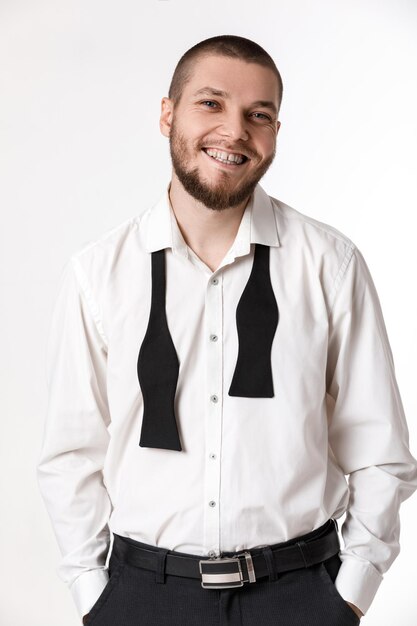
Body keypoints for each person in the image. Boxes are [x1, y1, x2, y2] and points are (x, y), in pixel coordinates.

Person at [37, 34, 417, 626]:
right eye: (211, 103)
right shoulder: (98, 275)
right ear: (168, 115)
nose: (235, 131)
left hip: (300, 596)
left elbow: (380, 450)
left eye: (257, 114)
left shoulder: (330, 265)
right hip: (143, 598)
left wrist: (347, 594)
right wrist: (97, 597)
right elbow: (69, 453)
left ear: (275, 132)